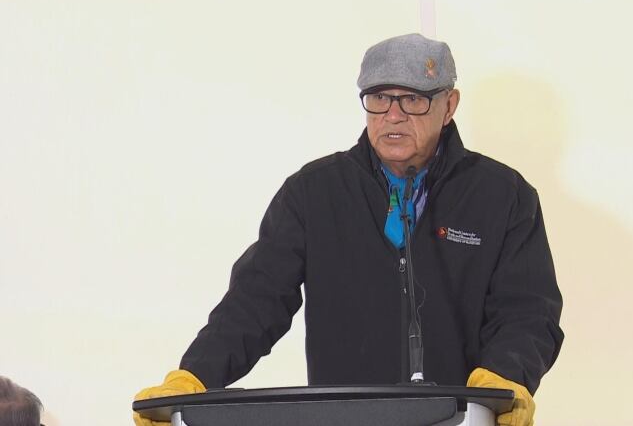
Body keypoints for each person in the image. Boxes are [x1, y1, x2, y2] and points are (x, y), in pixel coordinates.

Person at [134, 34, 563, 426]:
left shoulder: (503, 196)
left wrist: (504, 380)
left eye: (413, 99)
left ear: (449, 106)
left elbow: (528, 313)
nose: (393, 116)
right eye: (379, 98)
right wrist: (193, 376)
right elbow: (255, 300)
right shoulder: (314, 192)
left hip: (457, 418)